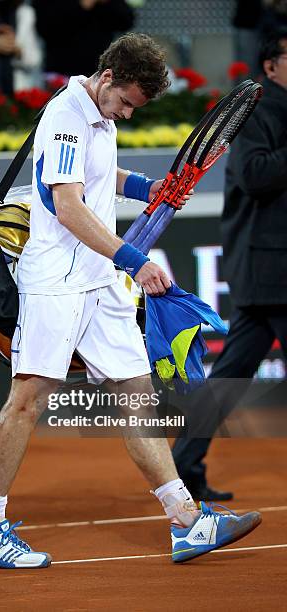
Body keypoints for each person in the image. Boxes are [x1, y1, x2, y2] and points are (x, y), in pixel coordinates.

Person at [0, 33, 261, 569]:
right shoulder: (67, 116)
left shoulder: (101, 116)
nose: (126, 113)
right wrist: (133, 261)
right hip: (57, 284)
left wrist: (147, 188)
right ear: (108, 76)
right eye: (125, 102)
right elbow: (68, 207)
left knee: (137, 394)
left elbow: (98, 177)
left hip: (98, 284)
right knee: (27, 401)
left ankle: (186, 521)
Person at [172, 28, 287, 501]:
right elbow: (256, 175)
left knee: (226, 379)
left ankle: (180, 469)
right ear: (271, 66)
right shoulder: (260, 108)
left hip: (270, 273)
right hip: (270, 269)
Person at [32, 0, 134, 79]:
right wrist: (83, 5)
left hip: (99, 72)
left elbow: (127, 20)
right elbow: (46, 27)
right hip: (61, 72)